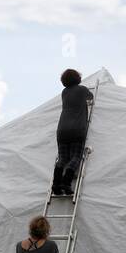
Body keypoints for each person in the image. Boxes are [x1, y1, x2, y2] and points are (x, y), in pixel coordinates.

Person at [52, 68, 94, 196]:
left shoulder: (64, 92)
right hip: (77, 129)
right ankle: (66, 183)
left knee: (63, 158)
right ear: (77, 78)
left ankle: (56, 185)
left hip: (62, 130)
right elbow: (91, 97)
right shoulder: (82, 90)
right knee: (76, 157)